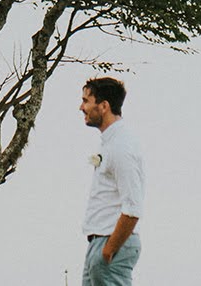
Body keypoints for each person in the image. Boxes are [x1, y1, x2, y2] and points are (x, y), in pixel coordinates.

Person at [79, 76, 145, 286]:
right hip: (99, 242)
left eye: (86, 101)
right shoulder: (110, 143)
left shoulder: (121, 147)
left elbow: (133, 207)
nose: (81, 107)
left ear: (104, 106)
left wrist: (109, 250)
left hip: (110, 243)